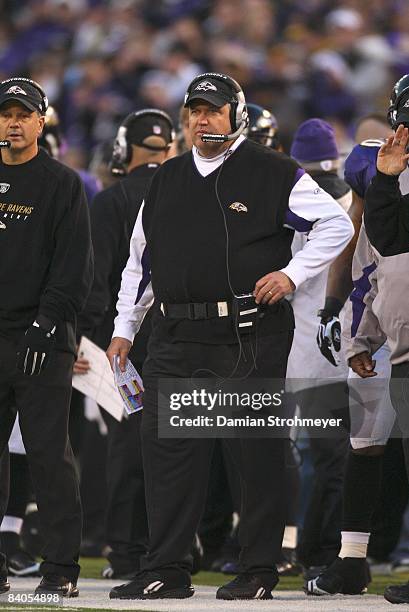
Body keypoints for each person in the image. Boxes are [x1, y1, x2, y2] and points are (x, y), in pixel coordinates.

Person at [106, 72, 354, 601]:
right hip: (175, 331)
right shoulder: (167, 177)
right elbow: (140, 261)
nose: (202, 119)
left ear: (235, 116)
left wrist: (293, 273)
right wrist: (125, 327)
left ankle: (260, 567)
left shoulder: (273, 170)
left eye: (213, 110)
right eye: (194, 111)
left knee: (252, 455)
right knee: (169, 451)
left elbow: (336, 224)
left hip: (249, 331)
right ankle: (167, 566)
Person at [307, 91, 409, 599]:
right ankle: (350, 559)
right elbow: (358, 239)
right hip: (385, 320)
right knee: (365, 440)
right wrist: (335, 307)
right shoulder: (371, 162)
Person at [0, 77, 93, 598]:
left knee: (47, 455)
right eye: (5, 113)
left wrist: (47, 323)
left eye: (22, 114)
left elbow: (73, 264)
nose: (12, 123)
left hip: (40, 336)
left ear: (41, 122)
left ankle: (60, 568)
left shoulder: (62, 182)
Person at [77, 108, 174, 579]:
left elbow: (94, 282)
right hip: (183, 339)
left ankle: (125, 552)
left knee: (125, 449)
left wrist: (87, 343)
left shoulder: (111, 200)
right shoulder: (186, 191)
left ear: (122, 150)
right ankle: (171, 548)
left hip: (120, 345)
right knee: (178, 450)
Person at [288, 118, 351, 578]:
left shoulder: (294, 206)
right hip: (358, 348)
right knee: (343, 458)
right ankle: (328, 552)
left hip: (306, 351)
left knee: (312, 457)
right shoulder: (360, 202)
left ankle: (308, 549)